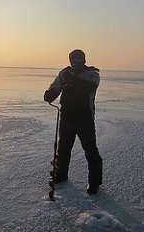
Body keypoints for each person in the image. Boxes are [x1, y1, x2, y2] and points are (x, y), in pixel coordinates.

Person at [44, 49, 102, 194]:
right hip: (66, 119)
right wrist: (50, 93)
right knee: (63, 150)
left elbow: (89, 87)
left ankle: (94, 183)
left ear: (84, 60)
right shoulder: (64, 73)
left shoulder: (93, 74)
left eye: (78, 59)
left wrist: (73, 80)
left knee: (91, 152)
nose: (75, 62)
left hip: (85, 119)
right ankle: (61, 175)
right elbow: (56, 87)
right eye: (72, 59)